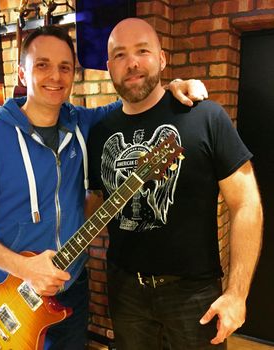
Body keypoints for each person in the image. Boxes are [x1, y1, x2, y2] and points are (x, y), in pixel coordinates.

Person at [0, 25, 208, 350]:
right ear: (22, 72)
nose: (55, 77)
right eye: (42, 65)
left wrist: (173, 86)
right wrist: (25, 267)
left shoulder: (84, 124)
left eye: (65, 67)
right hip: (9, 300)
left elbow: (137, 100)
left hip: (71, 292)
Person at [86, 18, 263, 350]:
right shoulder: (100, 131)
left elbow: (246, 203)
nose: (132, 62)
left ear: (162, 58)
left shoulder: (205, 116)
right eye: (120, 55)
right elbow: (97, 201)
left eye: (142, 51)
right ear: (109, 66)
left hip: (193, 295)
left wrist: (237, 295)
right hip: (125, 293)